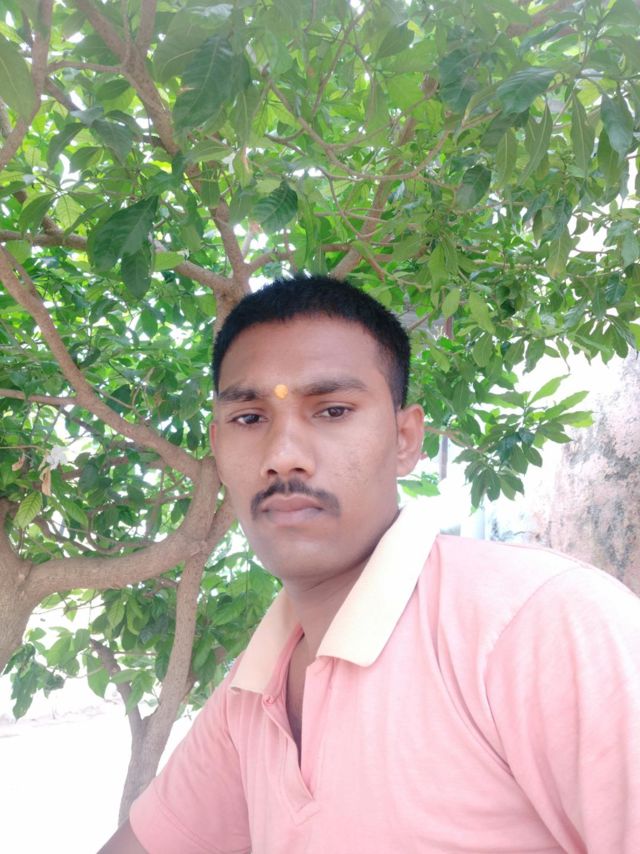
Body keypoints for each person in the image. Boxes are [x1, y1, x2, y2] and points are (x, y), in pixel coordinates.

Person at [99, 274, 640, 854]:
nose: (283, 456)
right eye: (250, 419)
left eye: (332, 410)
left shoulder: (542, 625)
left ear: (405, 439)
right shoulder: (249, 695)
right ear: (217, 445)